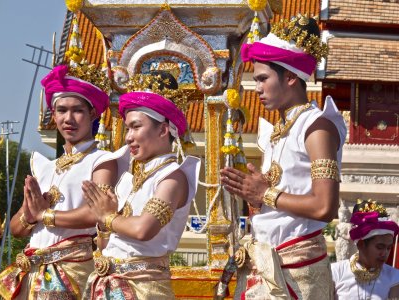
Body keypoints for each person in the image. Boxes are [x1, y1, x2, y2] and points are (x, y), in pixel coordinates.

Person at [220, 14, 347, 299]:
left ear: (290, 77)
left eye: (264, 79)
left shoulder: (317, 127)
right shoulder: (279, 132)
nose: (258, 88)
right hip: (268, 263)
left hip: (299, 272)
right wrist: (256, 197)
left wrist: (266, 193)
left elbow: (325, 206)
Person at [0, 64, 118, 299]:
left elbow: (97, 214)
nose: (68, 118)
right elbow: (16, 229)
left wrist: (45, 216)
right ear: (53, 115)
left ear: (92, 114)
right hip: (32, 272)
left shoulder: (102, 161)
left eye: (77, 110)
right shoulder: (45, 167)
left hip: (72, 272)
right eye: (61, 110)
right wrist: (30, 215)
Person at [81, 72, 201, 299]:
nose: (128, 137)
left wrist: (108, 217)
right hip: (110, 285)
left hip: (144, 289)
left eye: (136, 127)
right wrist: (105, 224)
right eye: (127, 128)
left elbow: (143, 229)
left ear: (163, 130)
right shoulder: (128, 179)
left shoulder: (173, 177)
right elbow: (107, 242)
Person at [332, 200, 399, 299]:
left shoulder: (394, 277)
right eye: (380, 247)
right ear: (361, 244)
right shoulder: (336, 272)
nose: (385, 253)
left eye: (389, 248)